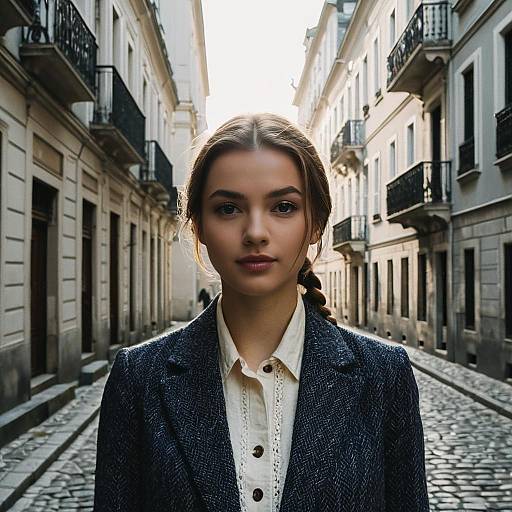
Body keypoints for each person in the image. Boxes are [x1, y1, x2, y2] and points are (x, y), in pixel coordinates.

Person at [93, 113, 429, 512]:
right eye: (228, 209)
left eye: (283, 207)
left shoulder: (384, 376)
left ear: (316, 224)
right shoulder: (139, 379)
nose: (255, 232)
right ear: (198, 226)